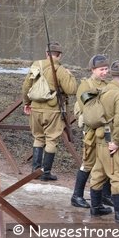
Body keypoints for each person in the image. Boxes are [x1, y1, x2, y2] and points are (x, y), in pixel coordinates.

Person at [21, 41, 77, 181]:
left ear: (46, 54)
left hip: (35, 108)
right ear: (60, 56)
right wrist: (70, 76)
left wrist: (26, 103)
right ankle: (45, 173)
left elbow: (25, 86)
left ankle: (35, 170)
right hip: (53, 111)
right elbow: (71, 90)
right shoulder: (61, 70)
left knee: (38, 138)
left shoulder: (36, 65)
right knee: (51, 140)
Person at [89, 59, 119, 221]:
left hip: (101, 138)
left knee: (98, 173)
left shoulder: (105, 90)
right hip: (114, 142)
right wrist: (116, 142)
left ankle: (95, 208)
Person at [71, 55, 113, 208]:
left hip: (107, 130)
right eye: (101, 69)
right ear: (93, 70)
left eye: (106, 69)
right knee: (88, 162)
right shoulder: (85, 85)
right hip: (92, 130)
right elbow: (87, 110)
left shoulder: (109, 85)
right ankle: (77, 196)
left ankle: (105, 196)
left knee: (108, 161)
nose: (105, 72)